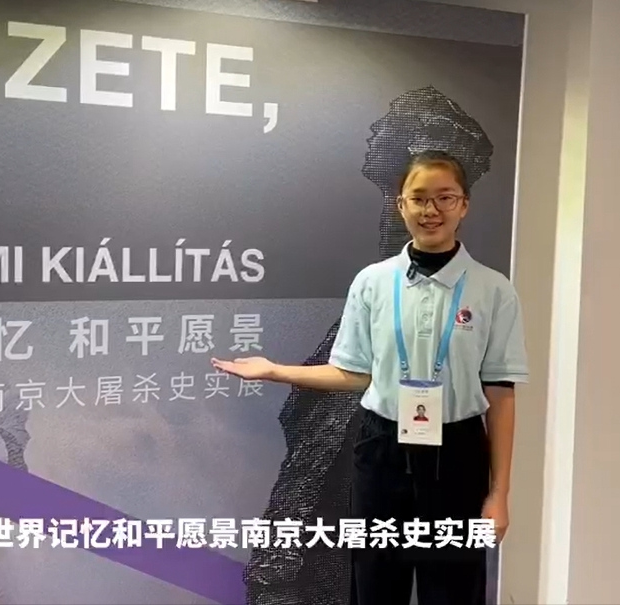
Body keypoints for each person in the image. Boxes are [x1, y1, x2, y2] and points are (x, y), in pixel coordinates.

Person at [213, 149, 528, 605]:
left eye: (444, 197)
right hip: (382, 451)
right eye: (418, 198)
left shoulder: (493, 290)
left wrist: (499, 493)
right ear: (401, 205)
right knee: (375, 587)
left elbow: (501, 395)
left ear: (464, 205)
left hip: (458, 454)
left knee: (455, 590)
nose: (431, 210)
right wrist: (275, 371)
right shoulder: (372, 282)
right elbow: (352, 373)